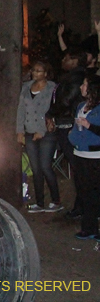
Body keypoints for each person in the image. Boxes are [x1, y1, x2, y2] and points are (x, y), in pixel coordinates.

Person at [46, 46, 88, 219]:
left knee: (79, 169)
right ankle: (81, 205)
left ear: (75, 61)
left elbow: (66, 100)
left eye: (67, 58)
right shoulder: (71, 77)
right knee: (77, 168)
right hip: (67, 123)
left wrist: (50, 113)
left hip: (70, 125)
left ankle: (83, 207)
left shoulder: (76, 78)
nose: (63, 61)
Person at [16, 61, 60, 212]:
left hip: (46, 132)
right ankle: (40, 202)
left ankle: (56, 200)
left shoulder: (52, 88)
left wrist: (42, 130)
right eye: (34, 70)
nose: (35, 73)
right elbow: (21, 110)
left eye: (39, 71)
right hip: (29, 131)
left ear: (46, 73)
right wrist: (19, 130)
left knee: (45, 166)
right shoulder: (26, 87)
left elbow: (52, 111)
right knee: (35, 168)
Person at [67, 74, 100, 239]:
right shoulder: (81, 105)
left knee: (96, 193)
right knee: (84, 193)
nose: (81, 87)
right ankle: (89, 228)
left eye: (84, 85)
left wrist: (89, 126)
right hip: (80, 154)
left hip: (96, 156)